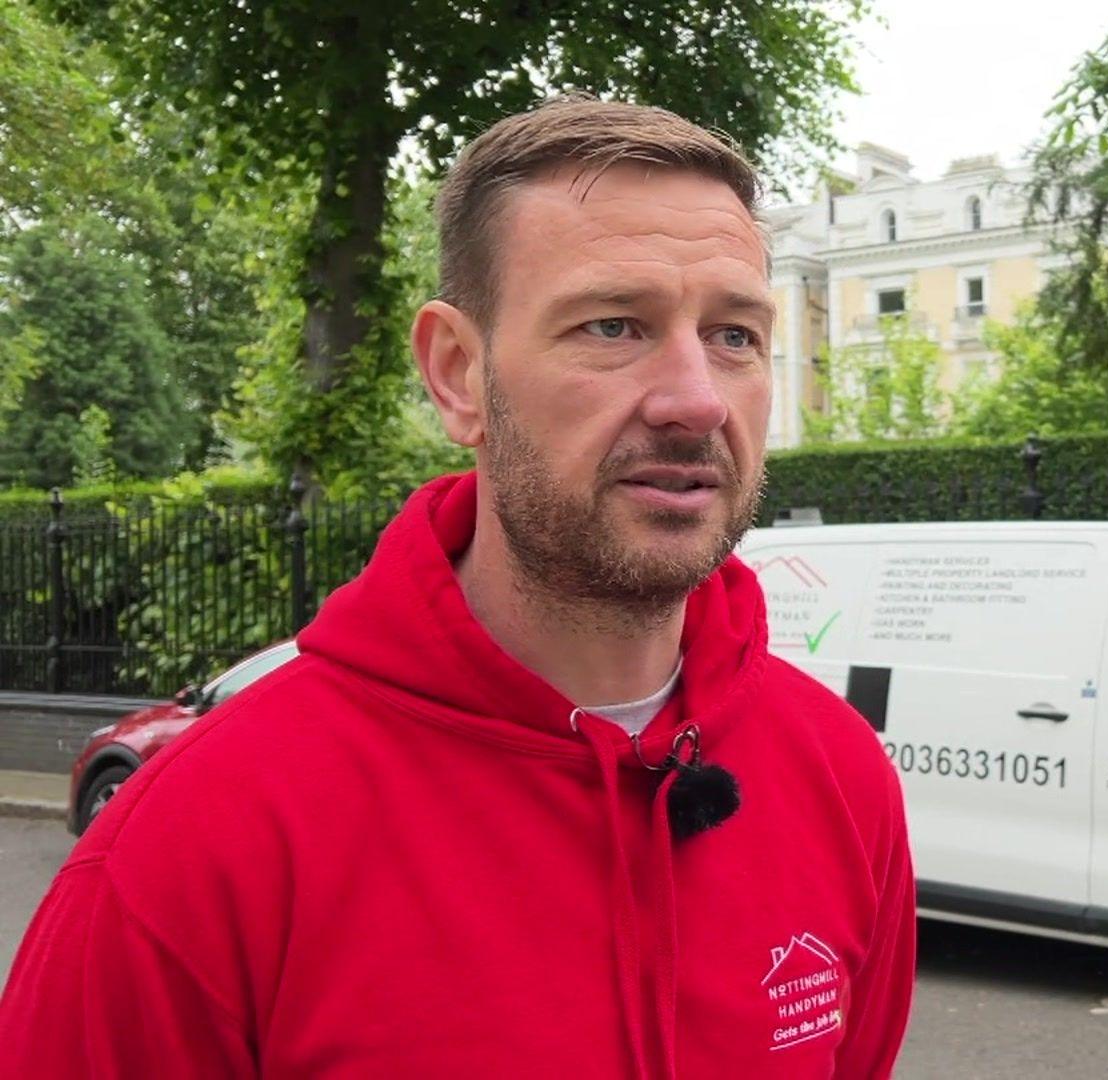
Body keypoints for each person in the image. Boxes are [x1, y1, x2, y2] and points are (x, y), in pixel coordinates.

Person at [0, 98, 916, 1078]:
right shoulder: (199, 844)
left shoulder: (841, 779)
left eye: (735, 334)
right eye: (613, 325)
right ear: (457, 375)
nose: (696, 397)